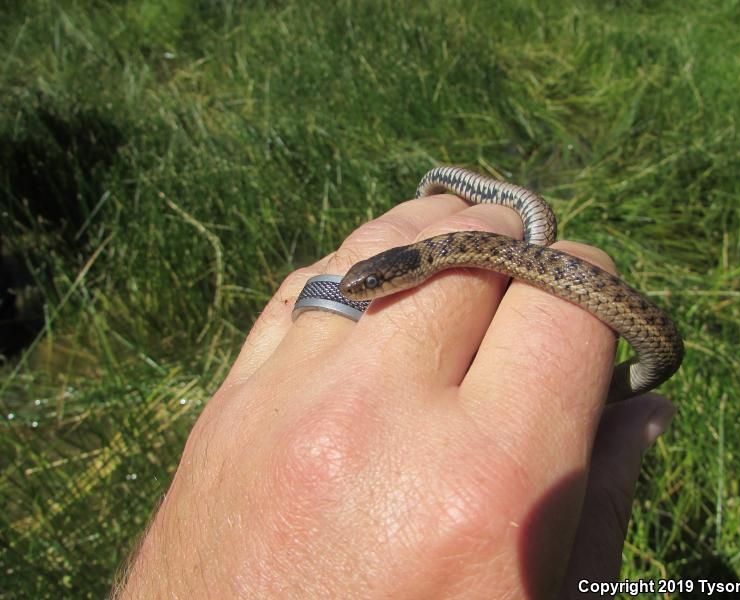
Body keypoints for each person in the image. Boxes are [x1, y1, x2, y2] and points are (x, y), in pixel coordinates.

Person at [115, 190, 675, 598]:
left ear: (407, 271)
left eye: (371, 286)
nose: (362, 293)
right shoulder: (419, 258)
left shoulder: (439, 255)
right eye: (360, 286)